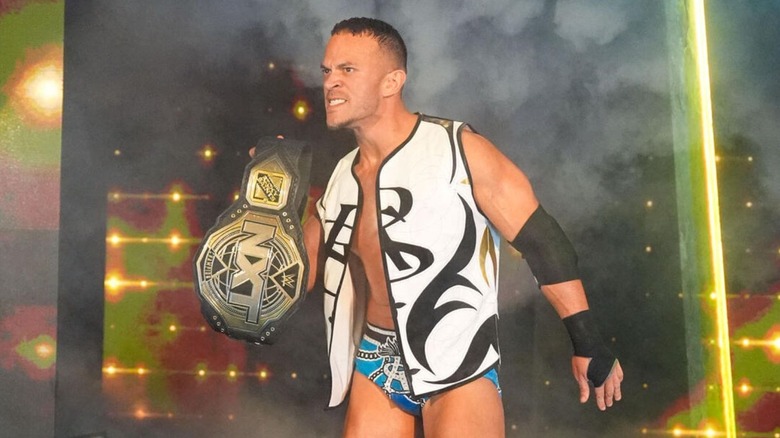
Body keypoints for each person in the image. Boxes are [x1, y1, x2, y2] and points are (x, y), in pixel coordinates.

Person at [294, 17, 624, 437]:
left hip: (458, 361)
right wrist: (272, 210)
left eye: (347, 70)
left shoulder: (458, 149)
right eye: (327, 71)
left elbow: (543, 242)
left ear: (392, 81)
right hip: (376, 362)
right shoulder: (341, 179)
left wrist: (587, 342)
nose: (330, 83)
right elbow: (294, 276)